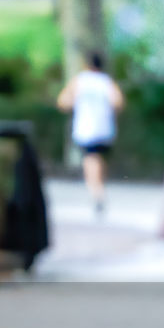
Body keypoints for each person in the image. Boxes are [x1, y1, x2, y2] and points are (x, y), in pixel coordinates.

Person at [57, 52, 124, 214]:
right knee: (98, 158)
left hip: (86, 128)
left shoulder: (80, 80)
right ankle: (98, 188)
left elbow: (63, 102)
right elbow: (118, 102)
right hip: (104, 127)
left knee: (90, 159)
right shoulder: (106, 82)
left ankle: (96, 192)